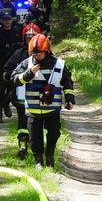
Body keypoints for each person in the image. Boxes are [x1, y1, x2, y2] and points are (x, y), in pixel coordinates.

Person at [11, 34, 75, 169]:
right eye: (34, 53)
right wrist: (29, 74)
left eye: (39, 53)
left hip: (52, 110)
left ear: (46, 51)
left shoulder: (59, 65)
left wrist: (69, 99)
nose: (36, 56)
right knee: (35, 138)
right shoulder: (27, 64)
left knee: (54, 134)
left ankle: (50, 154)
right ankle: (38, 161)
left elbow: (68, 83)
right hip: (33, 111)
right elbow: (14, 79)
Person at [3, 23, 42, 159]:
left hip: (39, 97)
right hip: (21, 96)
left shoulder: (45, 55)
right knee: (22, 121)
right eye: (27, 37)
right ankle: (22, 145)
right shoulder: (19, 54)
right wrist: (10, 77)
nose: (30, 40)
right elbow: (7, 70)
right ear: (23, 38)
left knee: (36, 122)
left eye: (33, 37)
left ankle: (37, 147)